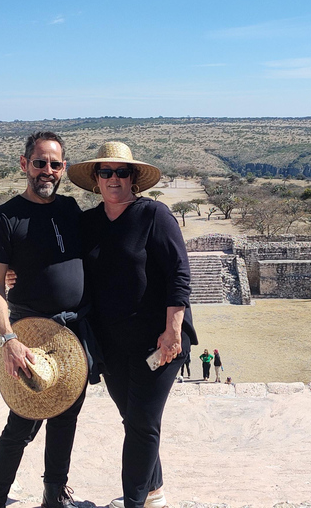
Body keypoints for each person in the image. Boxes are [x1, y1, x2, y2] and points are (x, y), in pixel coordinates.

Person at [68, 141, 197, 508]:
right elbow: (59, 260)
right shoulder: (88, 223)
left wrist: (173, 331)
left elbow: (179, 274)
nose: (113, 178)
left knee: (141, 423)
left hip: (158, 340)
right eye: (105, 171)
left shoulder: (154, 215)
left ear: (133, 177)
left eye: (121, 172)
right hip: (111, 343)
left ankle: (134, 502)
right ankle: (154, 489)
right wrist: (14, 272)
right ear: (95, 178)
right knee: (134, 419)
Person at [0, 131, 86, 508]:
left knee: (65, 418)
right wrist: (8, 339)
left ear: (64, 169)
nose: (47, 171)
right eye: (40, 163)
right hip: (31, 335)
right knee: (21, 424)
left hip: (74, 336)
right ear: (24, 164)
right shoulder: (4, 218)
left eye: (55, 164)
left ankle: (54, 494)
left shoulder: (71, 210)